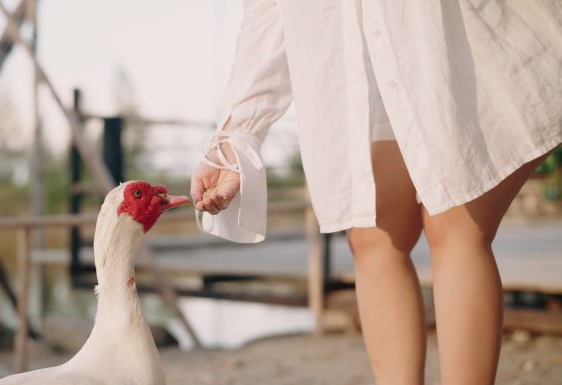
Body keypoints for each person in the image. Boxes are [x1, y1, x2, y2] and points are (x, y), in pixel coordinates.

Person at [190, 1, 562, 384]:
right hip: (359, 67)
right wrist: (234, 137)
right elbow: (271, 13)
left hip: (442, 43)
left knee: (455, 223)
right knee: (373, 236)